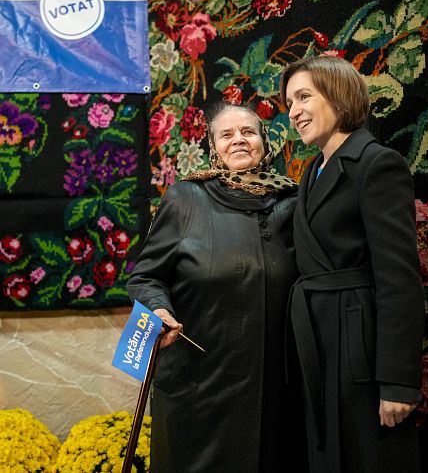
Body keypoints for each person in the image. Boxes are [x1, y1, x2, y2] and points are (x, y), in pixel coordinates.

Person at [127, 103, 304, 472]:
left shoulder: (292, 201)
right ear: (214, 146)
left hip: (272, 387)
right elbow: (146, 276)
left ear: (263, 142)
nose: (238, 140)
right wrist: (158, 308)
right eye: (226, 134)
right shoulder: (186, 198)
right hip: (199, 384)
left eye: (248, 132)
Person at [280, 55, 424, 473]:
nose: (294, 112)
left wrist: (398, 381)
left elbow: (399, 279)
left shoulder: (377, 163)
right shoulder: (311, 171)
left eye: (304, 96)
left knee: (369, 458)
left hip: (360, 347)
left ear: (339, 95)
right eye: (290, 103)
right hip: (318, 339)